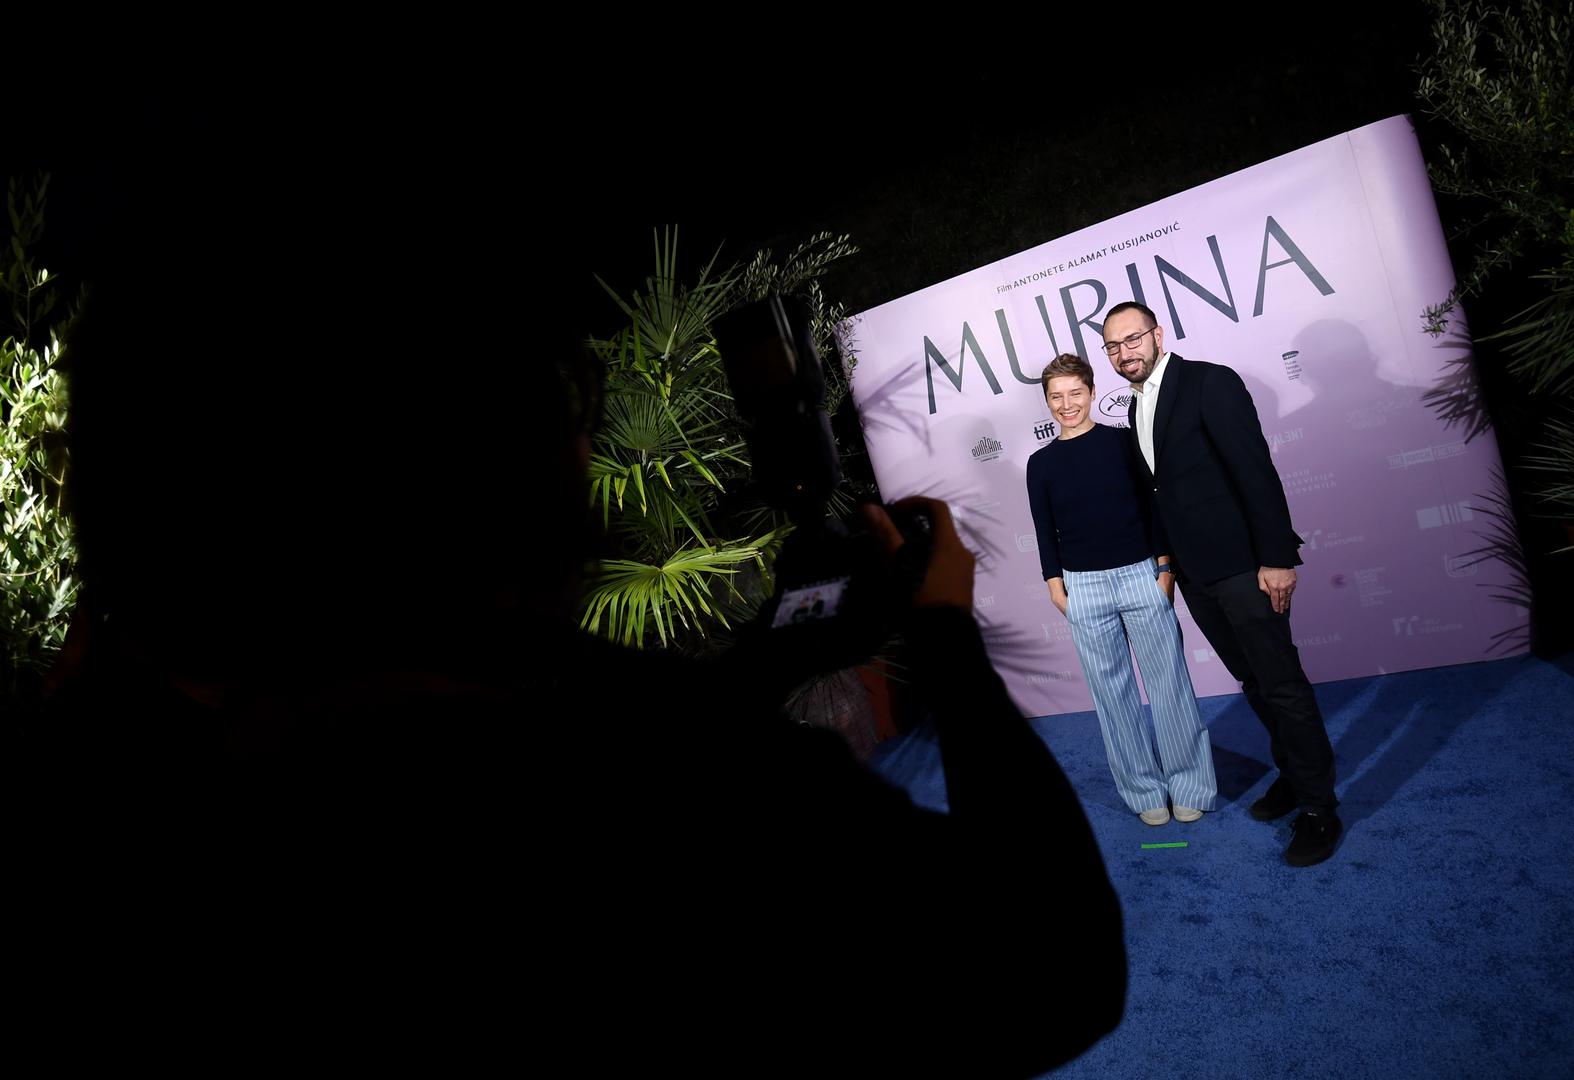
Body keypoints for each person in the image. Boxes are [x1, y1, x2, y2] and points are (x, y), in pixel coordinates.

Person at [20, 98, 1128, 1076]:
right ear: (488, 456)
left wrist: (763, 664)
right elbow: (1053, 968)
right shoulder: (658, 809)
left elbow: (573, 698)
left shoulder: (116, 790)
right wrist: (945, 639)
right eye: (563, 398)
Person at [1101, 300, 1341, 867]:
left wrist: (1276, 557)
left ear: (1157, 335)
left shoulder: (1209, 382)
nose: (1124, 352)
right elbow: (1161, 495)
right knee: (1254, 682)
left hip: (1246, 567)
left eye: (1132, 339)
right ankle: (1293, 775)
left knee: (1281, 684)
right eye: (1112, 346)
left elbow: (1254, 469)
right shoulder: (1135, 406)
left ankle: (1319, 808)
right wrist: (1167, 565)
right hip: (1196, 574)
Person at [1025, 353, 1216, 825]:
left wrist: (1165, 566)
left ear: (1092, 392)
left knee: (1169, 685)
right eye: (1056, 396)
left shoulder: (1123, 441)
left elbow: (1154, 507)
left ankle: (1190, 785)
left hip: (1140, 574)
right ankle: (1143, 790)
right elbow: (1044, 530)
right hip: (1082, 587)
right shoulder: (1039, 463)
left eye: (1075, 393)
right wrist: (1054, 586)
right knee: (1113, 698)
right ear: (1046, 402)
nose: (1067, 404)